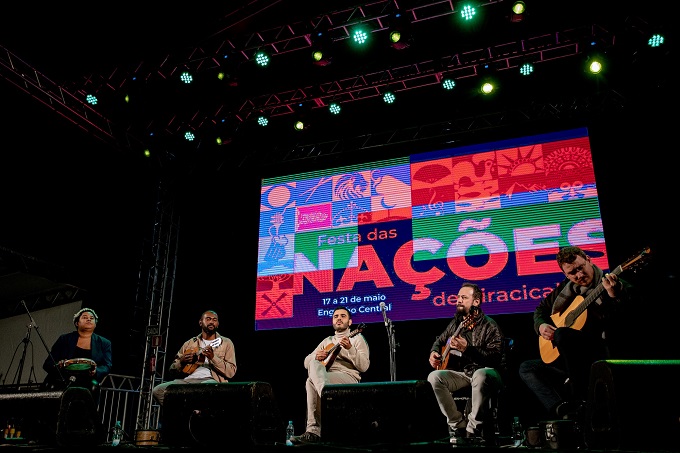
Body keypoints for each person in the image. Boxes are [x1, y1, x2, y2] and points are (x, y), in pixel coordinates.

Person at [518, 245, 637, 420]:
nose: (579, 275)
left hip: (598, 353)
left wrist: (615, 296)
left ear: (589, 260)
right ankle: (563, 411)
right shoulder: (567, 289)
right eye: (572, 273)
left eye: (581, 267)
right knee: (527, 368)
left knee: (562, 334)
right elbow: (540, 310)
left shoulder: (616, 286)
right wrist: (541, 326)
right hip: (568, 360)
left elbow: (628, 324)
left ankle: (581, 400)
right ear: (566, 275)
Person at [427, 282, 505, 445]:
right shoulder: (456, 323)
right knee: (434, 377)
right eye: (458, 297)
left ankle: (473, 428)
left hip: (489, 373)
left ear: (476, 302)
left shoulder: (490, 325)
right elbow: (439, 341)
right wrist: (434, 352)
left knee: (480, 374)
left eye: (464, 297)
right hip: (465, 374)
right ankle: (457, 424)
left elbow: (494, 359)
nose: (459, 300)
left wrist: (467, 349)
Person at [291, 306, 370, 444]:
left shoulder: (357, 338)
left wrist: (350, 349)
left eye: (343, 316)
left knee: (311, 381)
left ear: (350, 322)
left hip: (348, 377)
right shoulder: (327, 341)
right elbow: (306, 362)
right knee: (312, 367)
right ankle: (325, 397)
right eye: (336, 316)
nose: (339, 318)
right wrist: (316, 356)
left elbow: (364, 366)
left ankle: (314, 429)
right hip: (326, 378)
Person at [152, 310, 236, 406]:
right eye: (208, 319)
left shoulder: (226, 343)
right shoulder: (189, 343)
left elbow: (231, 372)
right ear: (200, 322)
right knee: (158, 390)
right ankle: (185, 411)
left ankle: (193, 410)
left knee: (207, 388)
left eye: (214, 320)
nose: (211, 322)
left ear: (218, 324)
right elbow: (172, 370)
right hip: (188, 380)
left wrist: (213, 357)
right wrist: (182, 362)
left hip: (211, 380)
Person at [42, 307, 112, 391]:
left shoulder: (104, 343)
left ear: (95, 324)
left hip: (88, 384)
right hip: (61, 382)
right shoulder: (64, 339)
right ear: (77, 323)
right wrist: (58, 365)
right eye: (85, 317)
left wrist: (96, 371)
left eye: (92, 318)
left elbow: (107, 366)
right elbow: (48, 364)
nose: (89, 319)